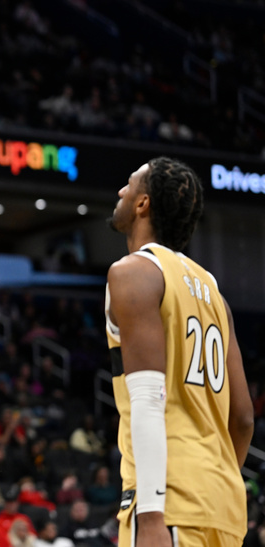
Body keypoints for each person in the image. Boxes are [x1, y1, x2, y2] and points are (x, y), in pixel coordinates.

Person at [106, 157, 254, 547]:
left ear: (143, 204)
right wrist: (214, 484)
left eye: (129, 183)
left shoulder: (133, 272)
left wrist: (151, 516)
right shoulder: (214, 294)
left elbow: (148, 399)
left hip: (168, 505)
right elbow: (242, 419)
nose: (121, 191)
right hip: (223, 506)